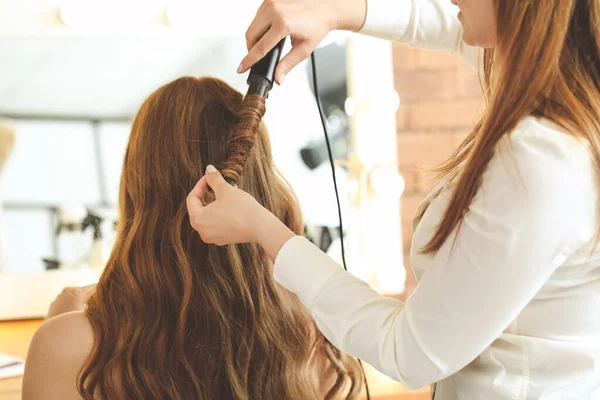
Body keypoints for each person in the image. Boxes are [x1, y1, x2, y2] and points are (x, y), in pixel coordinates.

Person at [186, 0, 600, 398]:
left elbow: (411, 352)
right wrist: (334, 10)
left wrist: (263, 229)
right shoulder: (565, 84)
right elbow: (453, 24)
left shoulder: (541, 163)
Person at [22, 77, 363, 400]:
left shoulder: (70, 343)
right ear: (262, 190)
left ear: (137, 191)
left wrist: (60, 327)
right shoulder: (314, 334)